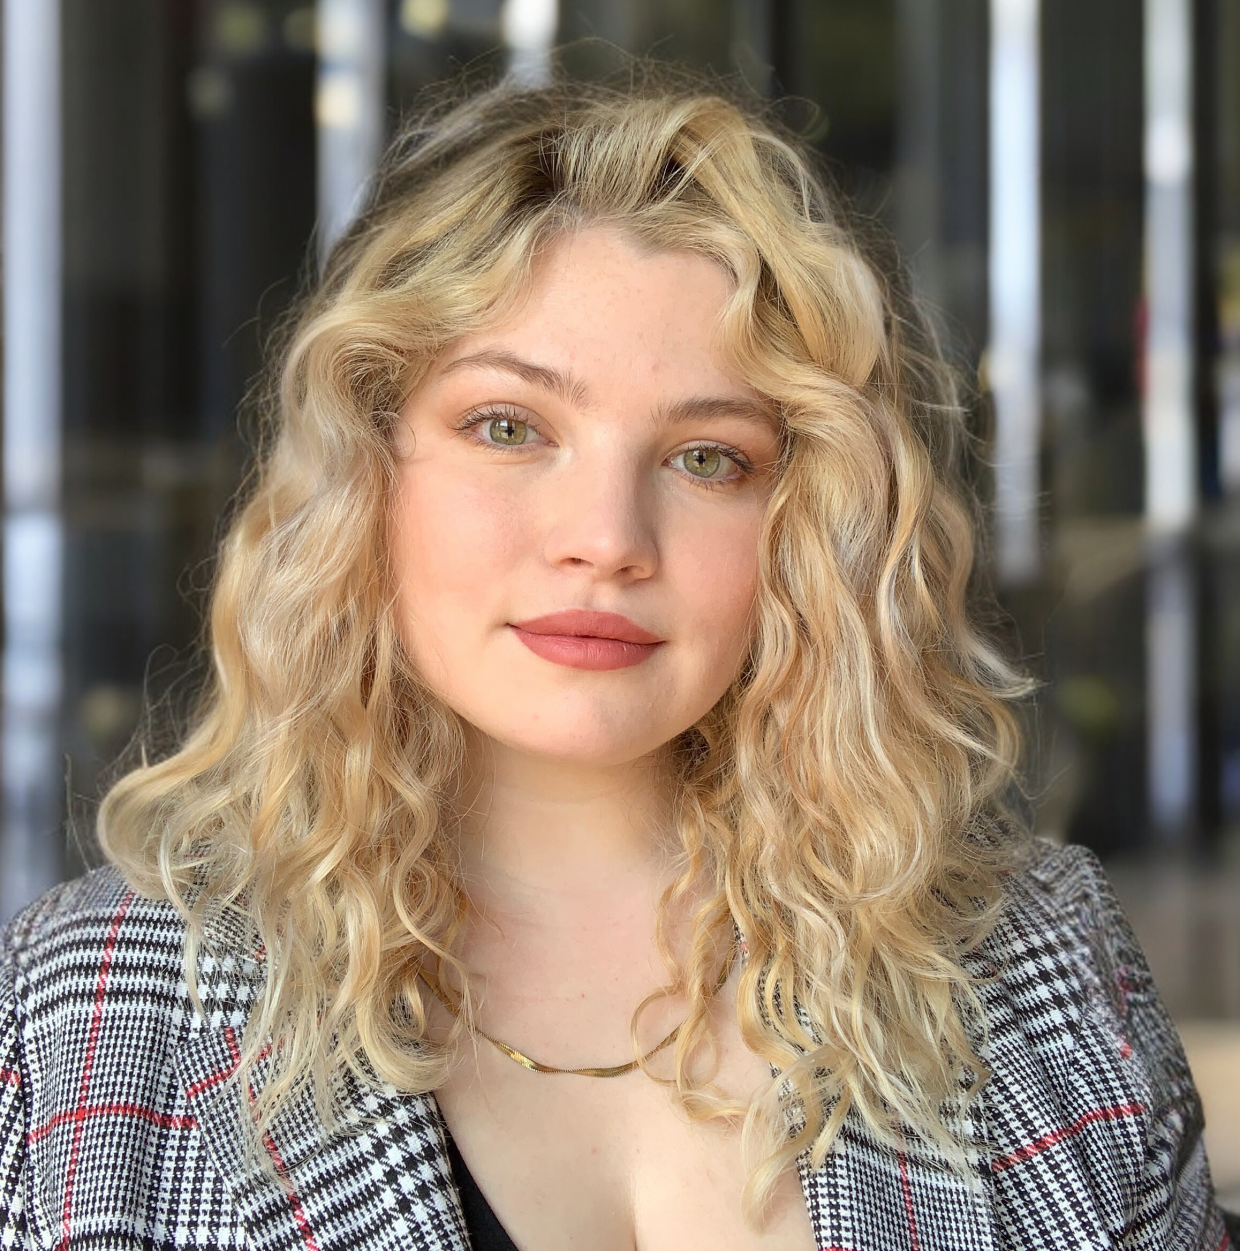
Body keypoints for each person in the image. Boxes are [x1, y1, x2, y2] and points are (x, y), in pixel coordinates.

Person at [0, 68, 1232, 1251]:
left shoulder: (1039, 968)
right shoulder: (93, 1007)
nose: (605, 539)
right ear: (368, 470)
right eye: (507, 427)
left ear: (804, 524)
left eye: (707, 458)